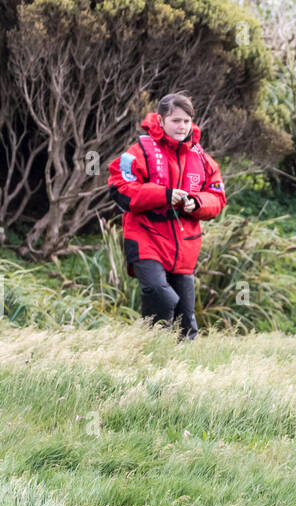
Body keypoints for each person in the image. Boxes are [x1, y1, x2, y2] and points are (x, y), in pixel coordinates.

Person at [107, 93, 226, 338]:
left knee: (186, 318)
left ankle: (181, 366)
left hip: (185, 246)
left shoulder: (202, 158)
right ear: (160, 121)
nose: (182, 126)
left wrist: (197, 202)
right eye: (175, 120)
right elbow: (120, 188)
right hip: (145, 238)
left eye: (186, 121)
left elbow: (217, 198)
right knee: (160, 293)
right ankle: (151, 347)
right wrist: (163, 195)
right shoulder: (138, 151)